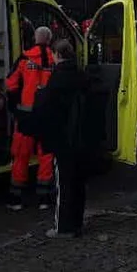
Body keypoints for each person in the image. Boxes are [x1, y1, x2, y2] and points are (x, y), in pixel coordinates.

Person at [26, 39, 89, 238]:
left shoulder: (57, 77)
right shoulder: (81, 75)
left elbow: (49, 108)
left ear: (57, 54)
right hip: (81, 137)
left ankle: (63, 227)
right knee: (79, 183)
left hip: (63, 138)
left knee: (64, 184)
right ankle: (77, 223)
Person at [5, 25, 55, 210]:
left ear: (35, 38)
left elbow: (10, 84)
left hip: (25, 116)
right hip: (47, 116)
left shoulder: (25, 58)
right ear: (49, 40)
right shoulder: (54, 59)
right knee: (46, 156)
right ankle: (44, 198)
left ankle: (16, 199)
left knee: (21, 156)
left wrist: (14, 107)